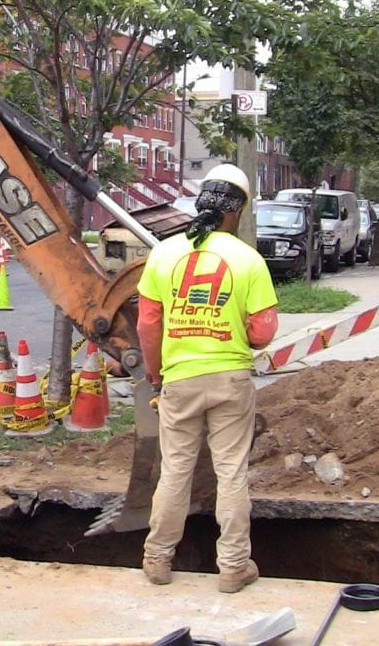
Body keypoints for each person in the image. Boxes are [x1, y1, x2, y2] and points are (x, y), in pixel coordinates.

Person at [136, 163, 279, 593]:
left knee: (175, 471)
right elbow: (263, 332)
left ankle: (158, 559)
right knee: (231, 472)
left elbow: (147, 325)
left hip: (179, 381)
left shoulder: (163, 253)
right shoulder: (248, 259)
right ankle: (233, 566)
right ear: (237, 211)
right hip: (230, 380)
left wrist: (156, 375)